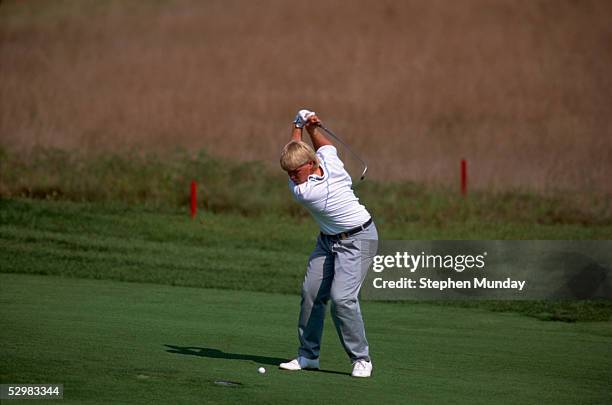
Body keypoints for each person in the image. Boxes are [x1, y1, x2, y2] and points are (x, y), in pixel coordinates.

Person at [278, 109, 378, 378]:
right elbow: (324, 148)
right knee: (311, 293)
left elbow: (309, 148)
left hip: (359, 238)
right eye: (287, 173)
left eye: (294, 172)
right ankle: (308, 356)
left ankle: (361, 358)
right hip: (328, 241)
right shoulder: (320, 170)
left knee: (342, 299)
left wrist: (301, 125)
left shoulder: (307, 190)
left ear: (310, 164)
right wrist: (306, 126)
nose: (291, 178)